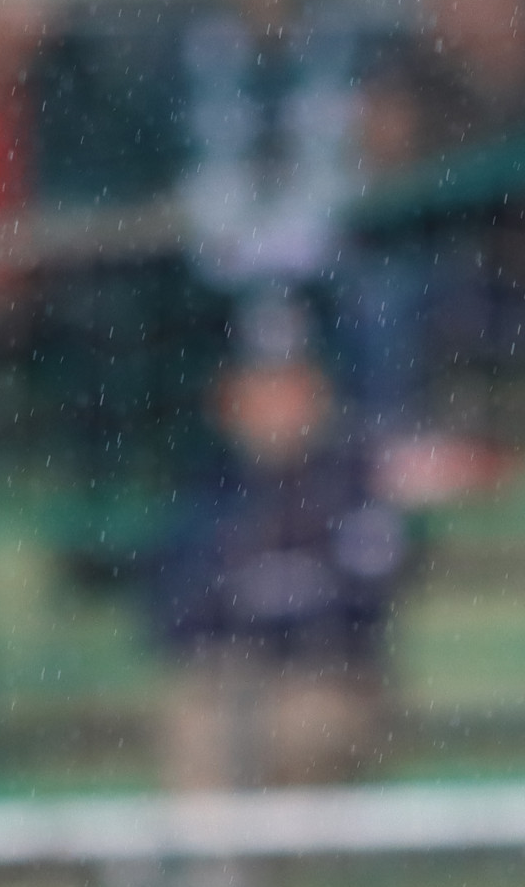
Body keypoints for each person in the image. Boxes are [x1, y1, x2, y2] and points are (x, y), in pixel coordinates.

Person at [155, 296, 400, 795]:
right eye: (262, 388)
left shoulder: (351, 480)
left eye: (291, 386)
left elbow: (362, 607)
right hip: (230, 684)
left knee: (299, 724)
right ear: (230, 399)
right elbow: (171, 614)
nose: (278, 406)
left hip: (330, 681)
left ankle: (226, 863)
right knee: (203, 720)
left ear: (320, 392)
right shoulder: (209, 487)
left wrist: (259, 603)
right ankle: (215, 868)